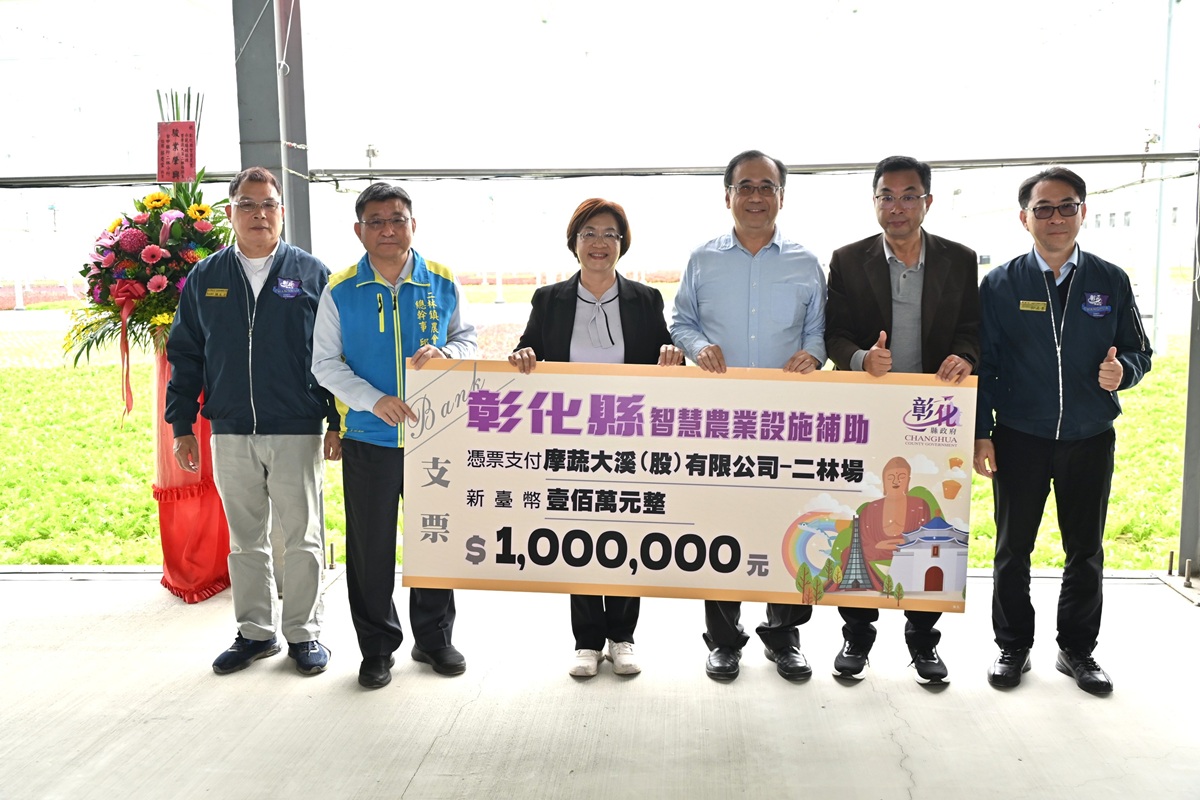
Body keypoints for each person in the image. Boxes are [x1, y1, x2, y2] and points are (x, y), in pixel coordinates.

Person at [973, 166, 1152, 695]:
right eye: (1044, 208)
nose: (1056, 217)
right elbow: (986, 366)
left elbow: (1139, 351)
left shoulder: (1109, 280)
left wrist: (1124, 372)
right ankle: (1013, 646)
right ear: (1024, 217)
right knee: (1012, 549)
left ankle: (1077, 650)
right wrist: (982, 432)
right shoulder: (1000, 284)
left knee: (1085, 549)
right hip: (1020, 436)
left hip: (1089, 435)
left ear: (1083, 212)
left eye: (1067, 206)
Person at [165, 166, 341, 676]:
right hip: (231, 427)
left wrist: (336, 422)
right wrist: (181, 425)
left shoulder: (312, 273)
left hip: (297, 425)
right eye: (247, 204)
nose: (259, 214)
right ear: (230, 213)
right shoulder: (206, 277)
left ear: (282, 212)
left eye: (268, 204)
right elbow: (186, 354)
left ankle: (304, 633)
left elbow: (334, 352)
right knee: (245, 538)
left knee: (303, 536)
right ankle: (255, 632)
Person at [509, 198, 684, 678]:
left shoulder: (645, 299)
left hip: (630, 438)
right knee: (579, 533)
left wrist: (672, 355)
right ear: (574, 243)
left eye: (610, 234)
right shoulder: (549, 299)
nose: (599, 243)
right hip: (571, 439)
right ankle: (586, 641)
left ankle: (623, 637)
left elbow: (665, 354)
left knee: (627, 531)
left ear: (622, 244)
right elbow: (528, 349)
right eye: (589, 233)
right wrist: (522, 355)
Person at [312, 182, 477, 689]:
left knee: (434, 538)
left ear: (413, 225)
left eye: (397, 219)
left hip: (435, 436)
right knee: (371, 549)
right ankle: (377, 648)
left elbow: (467, 339)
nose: (388, 229)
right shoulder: (340, 289)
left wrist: (447, 354)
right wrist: (372, 400)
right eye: (377, 221)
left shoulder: (442, 281)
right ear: (359, 230)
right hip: (370, 437)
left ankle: (434, 638)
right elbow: (324, 363)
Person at [670, 149, 827, 682]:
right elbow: (681, 321)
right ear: (728, 196)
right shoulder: (702, 260)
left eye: (766, 187)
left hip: (787, 422)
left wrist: (813, 355)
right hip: (720, 419)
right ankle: (723, 640)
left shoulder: (806, 262)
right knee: (721, 523)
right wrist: (697, 347)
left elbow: (818, 332)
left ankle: (785, 639)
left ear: (781, 196)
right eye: (745, 187)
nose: (756, 196)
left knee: (789, 523)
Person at [824, 155, 980, 684]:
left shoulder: (960, 259)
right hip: (870, 412)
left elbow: (972, 328)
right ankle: (857, 635)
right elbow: (834, 334)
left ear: (927, 202)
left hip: (936, 418)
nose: (897, 207)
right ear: (874, 203)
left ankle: (923, 640)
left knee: (932, 524)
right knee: (862, 519)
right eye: (886, 196)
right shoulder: (848, 260)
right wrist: (860, 358)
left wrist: (965, 357)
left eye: (909, 196)